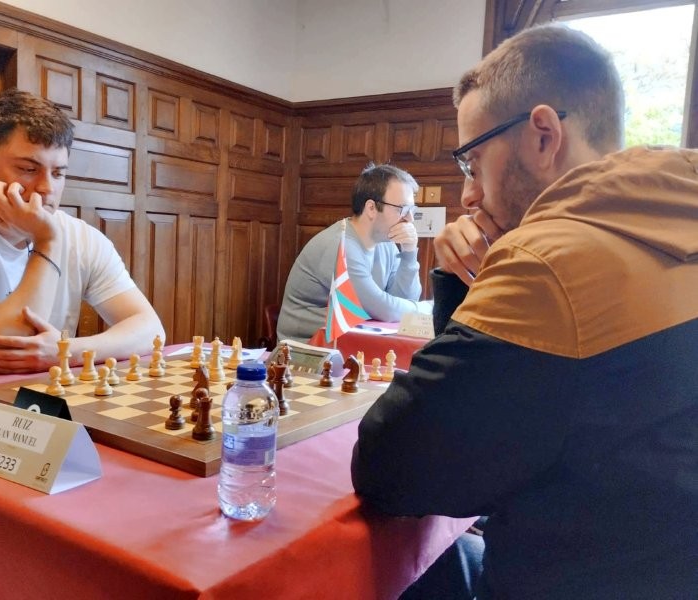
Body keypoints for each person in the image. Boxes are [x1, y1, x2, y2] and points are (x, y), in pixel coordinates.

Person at [352, 24, 698, 599]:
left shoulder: (550, 264)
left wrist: (480, 271)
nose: (468, 196)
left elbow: (392, 464)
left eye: (473, 161)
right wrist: (466, 277)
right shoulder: (674, 215)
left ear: (542, 136)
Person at [0, 89, 164, 379]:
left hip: (36, 400)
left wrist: (67, 351)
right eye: (28, 169)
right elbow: (6, 350)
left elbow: (150, 330)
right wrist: (47, 241)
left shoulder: (83, 238)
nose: (47, 188)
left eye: (58, 173)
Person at [276, 163, 430, 343]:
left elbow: (404, 300)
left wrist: (409, 253)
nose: (409, 219)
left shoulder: (386, 243)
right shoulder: (340, 245)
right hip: (306, 349)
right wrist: (426, 309)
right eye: (402, 209)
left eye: (412, 210)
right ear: (371, 208)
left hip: (350, 342)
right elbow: (383, 308)